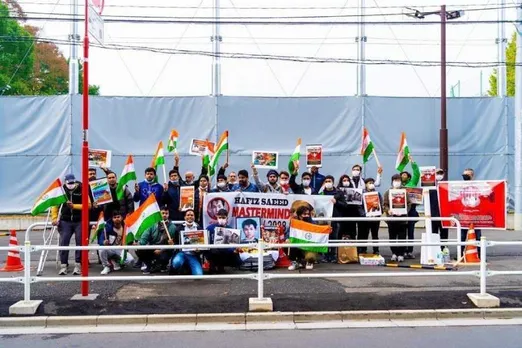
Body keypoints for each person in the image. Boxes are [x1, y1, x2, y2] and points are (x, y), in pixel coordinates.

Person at [51, 173, 92, 276]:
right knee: (64, 243)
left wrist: (74, 206)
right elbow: (55, 206)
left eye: (72, 182)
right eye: (69, 183)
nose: (71, 184)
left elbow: (89, 205)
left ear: (75, 181)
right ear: (65, 182)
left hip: (80, 221)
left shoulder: (82, 189)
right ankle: (64, 265)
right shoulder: (61, 191)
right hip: (65, 221)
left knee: (80, 243)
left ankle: (78, 265)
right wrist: (54, 218)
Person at [136, 206, 176, 274]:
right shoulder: (152, 224)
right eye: (162, 213)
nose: (164, 215)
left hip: (165, 250)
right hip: (153, 248)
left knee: (164, 257)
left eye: (166, 213)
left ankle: (163, 265)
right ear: (159, 214)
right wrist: (139, 243)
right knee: (139, 249)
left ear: (168, 215)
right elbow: (144, 237)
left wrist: (162, 249)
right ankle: (149, 265)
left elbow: (173, 244)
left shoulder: (173, 227)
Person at [319, 175, 347, 262]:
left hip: (335, 218)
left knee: (334, 237)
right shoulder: (321, 193)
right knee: (325, 237)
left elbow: (345, 205)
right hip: (324, 220)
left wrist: (337, 202)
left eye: (329, 181)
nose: (328, 183)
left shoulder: (339, 193)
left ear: (333, 182)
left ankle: (333, 255)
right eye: (326, 181)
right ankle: (325, 255)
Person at [383, 174, 411, 262]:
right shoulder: (388, 192)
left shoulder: (405, 192)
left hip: (402, 219)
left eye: (398, 180)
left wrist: (405, 211)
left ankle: (401, 254)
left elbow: (409, 203)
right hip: (391, 219)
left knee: (402, 237)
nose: (397, 182)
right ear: (392, 181)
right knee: (392, 237)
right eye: (395, 180)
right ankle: (394, 253)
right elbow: (385, 204)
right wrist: (388, 211)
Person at [288, 205, 325, 271]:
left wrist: (326, 231)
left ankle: (309, 262)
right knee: (287, 244)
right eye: (304, 214)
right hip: (299, 245)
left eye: (308, 214)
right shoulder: (294, 223)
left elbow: (319, 232)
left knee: (310, 257)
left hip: (309, 247)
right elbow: (288, 232)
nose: (307, 215)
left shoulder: (313, 223)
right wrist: (287, 239)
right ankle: (295, 262)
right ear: (299, 215)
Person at [206, 209, 241, 273]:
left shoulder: (230, 229)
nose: (221, 219)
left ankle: (221, 266)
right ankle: (212, 266)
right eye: (220, 217)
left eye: (223, 217)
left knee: (229, 251)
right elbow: (206, 240)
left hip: (225, 250)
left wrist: (234, 249)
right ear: (217, 217)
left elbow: (233, 243)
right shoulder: (210, 228)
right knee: (212, 250)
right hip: (212, 250)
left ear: (227, 218)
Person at [170, 209, 203, 275]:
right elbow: (176, 243)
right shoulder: (178, 228)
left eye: (191, 215)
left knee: (199, 275)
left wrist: (199, 250)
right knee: (176, 263)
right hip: (181, 253)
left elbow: (203, 246)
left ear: (194, 217)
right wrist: (172, 244)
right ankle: (181, 268)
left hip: (193, 255)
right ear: (184, 217)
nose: (190, 216)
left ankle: (187, 269)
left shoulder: (199, 229)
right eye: (188, 215)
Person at [400, 155, 421, 259]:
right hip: (401, 211)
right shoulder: (398, 186)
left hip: (411, 210)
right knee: (402, 232)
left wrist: (413, 162)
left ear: (408, 177)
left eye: (405, 174)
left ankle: (410, 251)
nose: (403, 176)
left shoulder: (412, 183)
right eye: (402, 175)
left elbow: (417, 173)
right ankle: (402, 251)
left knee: (411, 232)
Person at [358, 178, 383, 255]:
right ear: (365, 184)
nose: (371, 184)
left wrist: (379, 212)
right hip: (366, 218)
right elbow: (359, 206)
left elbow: (381, 204)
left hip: (375, 218)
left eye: (372, 183)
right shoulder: (362, 194)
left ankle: (376, 250)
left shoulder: (377, 193)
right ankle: (363, 249)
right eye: (369, 183)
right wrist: (364, 215)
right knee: (364, 234)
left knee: (375, 235)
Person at [460, 168, 482, 254]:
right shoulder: (459, 186)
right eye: (464, 175)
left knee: (478, 236)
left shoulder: (477, 186)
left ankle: (480, 255)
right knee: (462, 236)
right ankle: (460, 254)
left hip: (476, 215)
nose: (465, 176)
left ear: (472, 176)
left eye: (467, 175)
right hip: (464, 215)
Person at [98, 211, 125, 275]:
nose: (116, 219)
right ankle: (107, 266)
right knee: (101, 249)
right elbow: (100, 240)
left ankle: (115, 261)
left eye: (118, 217)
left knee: (130, 261)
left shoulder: (126, 226)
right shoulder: (107, 227)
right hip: (111, 249)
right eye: (114, 217)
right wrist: (103, 242)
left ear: (121, 218)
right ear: (112, 219)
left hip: (121, 250)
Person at [429, 169, 449, 250]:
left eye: (441, 173)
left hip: (444, 213)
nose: (439, 175)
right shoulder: (430, 186)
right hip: (433, 213)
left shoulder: (446, 185)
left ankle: (443, 249)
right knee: (434, 232)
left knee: (444, 232)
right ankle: (434, 249)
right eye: (437, 173)